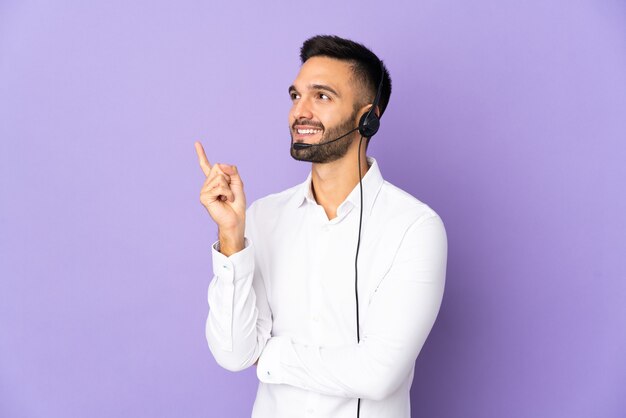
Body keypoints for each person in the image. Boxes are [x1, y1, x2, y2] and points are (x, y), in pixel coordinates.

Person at [195, 35, 447, 418]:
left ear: (368, 118)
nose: (300, 111)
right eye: (296, 96)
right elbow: (233, 353)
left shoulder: (414, 228)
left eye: (322, 96)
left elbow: (379, 374)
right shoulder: (262, 218)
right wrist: (231, 238)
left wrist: (270, 354)